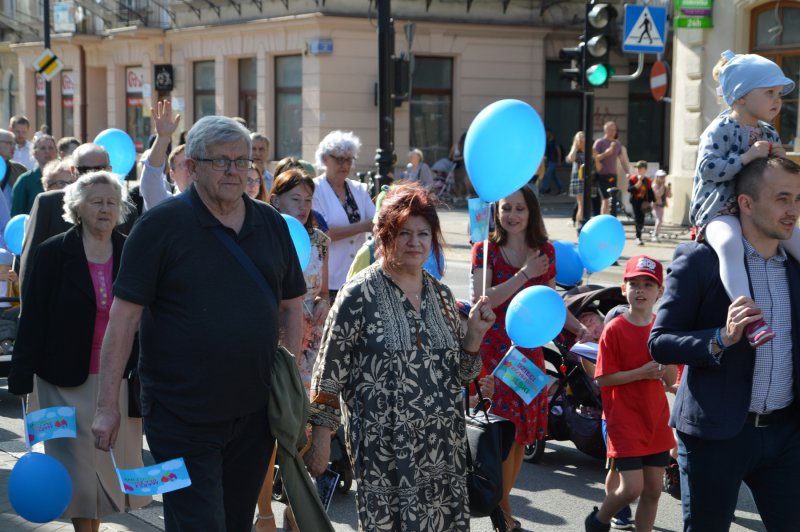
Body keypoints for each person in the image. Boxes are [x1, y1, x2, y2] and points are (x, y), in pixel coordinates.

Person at [90, 115, 306, 532]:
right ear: (192, 165)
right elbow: (123, 318)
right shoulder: (160, 226)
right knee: (198, 523)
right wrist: (106, 408)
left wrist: (288, 381)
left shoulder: (271, 224)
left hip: (254, 411)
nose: (233, 171)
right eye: (220, 161)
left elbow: (292, 307)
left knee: (235, 522)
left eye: (241, 162)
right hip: (180, 413)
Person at [304, 183, 496, 531]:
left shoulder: (441, 295)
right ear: (384, 235)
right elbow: (329, 370)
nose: (415, 242)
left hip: (443, 447)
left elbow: (462, 376)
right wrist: (320, 438)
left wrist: (474, 337)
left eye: (423, 233)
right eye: (404, 233)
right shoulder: (358, 294)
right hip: (385, 449)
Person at [650, 156, 800, 531]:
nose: (793, 211)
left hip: (786, 434)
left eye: (798, 199)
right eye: (783, 199)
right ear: (746, 203)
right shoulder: (702, 261)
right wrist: (721, 338)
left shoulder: (796, 264)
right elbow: (660, 342)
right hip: (716, 435)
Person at [8, 171, 150, 532]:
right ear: (77, 207)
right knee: (77, 468)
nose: (105, 209)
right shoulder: (53, 252)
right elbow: (34, 315)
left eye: (111, 202)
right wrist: (21, 374)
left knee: (113, 465)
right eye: (96, 201)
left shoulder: (133, 250)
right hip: (63, 377)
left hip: (119, 377)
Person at [471, 185, 592, 530]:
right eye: (506, 208)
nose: (512, 215)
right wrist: (524, 273)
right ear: (496, 212)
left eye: (519, 209)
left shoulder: (547, 252)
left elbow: (550, 303)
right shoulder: (486, 250)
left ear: (531, 212)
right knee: (499, 432)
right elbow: (485, 301)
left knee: (523, 435)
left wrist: (577, 328)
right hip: (495, 353)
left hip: (528, 353)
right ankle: (504, 514)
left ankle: (501, 507)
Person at [689, 50, 797, 349]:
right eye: (769, 93)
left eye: (778, 93)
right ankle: (749, 317)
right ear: (740, 97)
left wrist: (779, 159)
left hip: (757, 211)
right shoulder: (720, 129)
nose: (777, 100)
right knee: (729, 244)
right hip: (719, 208)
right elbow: (708, 170)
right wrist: (748, 156)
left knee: (795, 239)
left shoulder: (769, 131)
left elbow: (777, 173)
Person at [254, 168, 330, 531]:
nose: (302, 207)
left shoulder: (319, 240)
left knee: (301, 428)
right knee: (271, 429)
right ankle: (264, 509)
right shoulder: (262, 235)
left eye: (308, 200)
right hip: (275, 340)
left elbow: (321, 289)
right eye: (294, 199)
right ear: (277, 200)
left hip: (310, 343)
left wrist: (322, 304)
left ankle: (294, 506)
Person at [585, 255, 676, 532]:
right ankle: (599, 519)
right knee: (631, 489)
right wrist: (641, 372)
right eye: (634, 283)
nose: (640, 290)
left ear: (660, 292)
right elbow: (603, 380)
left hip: (656, 420)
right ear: (624, 289)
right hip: (624, 421)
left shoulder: (663, 328)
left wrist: (667, 358)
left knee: (653, 491)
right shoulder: (614, 329)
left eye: (648, 285)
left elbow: (670, 378)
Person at [19, 143, 122, 297]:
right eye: (85, 171)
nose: (92, 177)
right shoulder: (49, 203)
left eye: (99, 170)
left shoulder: (121, 207)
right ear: (73, 172)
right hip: (61, 308)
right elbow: (30, 265)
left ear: (109, 171)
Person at [312, 130, 375, 299]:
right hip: (328, 279)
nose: (345, 165)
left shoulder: (359, 189)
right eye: (339, 160)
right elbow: (324, 233)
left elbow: (377, 222)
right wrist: (362, 226)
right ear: (325, 158)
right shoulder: (314, 189)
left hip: (359, 276)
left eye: (348, 160)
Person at [139, 100, 193, 211]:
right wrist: (162, 138)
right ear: (172, 175)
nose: (189, 168)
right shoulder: (167, 206)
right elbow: (150, 180)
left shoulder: (213, 203)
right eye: (183, 164)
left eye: (193, 163)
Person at [11, 134, 58, 216]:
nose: (47, 151)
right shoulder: (24, 181)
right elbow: (17, 214)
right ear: (35, 153)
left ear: (56, 152)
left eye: (51, 148)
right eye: (43, 148)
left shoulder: (65, 177)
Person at [593, 121, 630, 215]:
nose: (613, 132)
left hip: (613, 175)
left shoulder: (617, 144)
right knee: (605, 200)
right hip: (601, 175)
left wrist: (627, 172)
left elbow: (622, 160)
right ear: (605, 130)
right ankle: (603, 221)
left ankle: (612, 221)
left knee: (612, 200)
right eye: (611, 129)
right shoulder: (599, 142)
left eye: (614, 129)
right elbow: (594, 158)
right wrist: (606, 153)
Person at [628, 161, 655, 246]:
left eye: (640, 168)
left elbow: (650, 192)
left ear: (645, 169)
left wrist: (653, 201)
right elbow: (629, 189)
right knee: (637, 218)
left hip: (643, 203)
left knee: (642, 219)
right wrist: (637, 183)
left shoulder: (648, 180)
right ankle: (638, 237)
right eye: (637, 168)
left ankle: (639, 236)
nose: (638, 170)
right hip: (635, 202)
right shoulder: (633, 179)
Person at [567, 131, 586, 226]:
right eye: (579, 138)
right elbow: (571, 158)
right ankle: (579, 226)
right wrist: (575, 146)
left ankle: (581, 224)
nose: (581, 139)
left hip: (587, 179)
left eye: (583, 137)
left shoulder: (589, 150)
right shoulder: (575, 150)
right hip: (578, 179)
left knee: (584, 205)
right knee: (581, 205)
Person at [539, 129, 563, 195]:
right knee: (554, 176)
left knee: (547, 175)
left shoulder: (554, 141)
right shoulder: (548, 141)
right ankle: (561, 188)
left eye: (547, 133)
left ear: (550, 133)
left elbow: (558, 151)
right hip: (549, 161)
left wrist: (559, 160)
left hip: (553, 161)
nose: (546, 134)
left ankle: (543, 190)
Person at [651, 170, 671, 242]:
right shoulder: (654, 185)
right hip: (656, 205)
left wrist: (668, 189)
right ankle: (655, 235)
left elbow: (669, 196)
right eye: (661, 177)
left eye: (663, 177)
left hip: (661, 205)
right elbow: (658, 194)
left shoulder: (664, 186)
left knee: (660, 220)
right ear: (657, 177)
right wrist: (663, 186)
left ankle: (656, 233)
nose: (663, 178)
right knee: (659, 220)